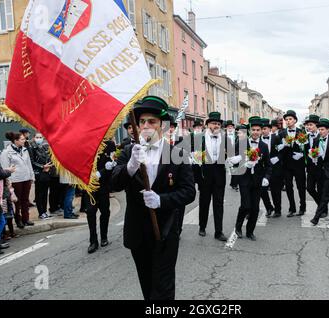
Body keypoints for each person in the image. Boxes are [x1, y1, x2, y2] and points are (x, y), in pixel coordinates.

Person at [111, 96, 195, 300]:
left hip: (165, 230)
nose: (146, 126)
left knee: (164, 287)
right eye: (142, 121)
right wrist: (130, 166)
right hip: (137, 231)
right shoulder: (129, 152)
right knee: (147, 284)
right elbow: (113, 184)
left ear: (162, 125)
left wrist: (161, 200)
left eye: (152, 121)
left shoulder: (178, 153)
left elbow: (189, 191)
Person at [232, 117, 271, 241]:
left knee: (255, 208)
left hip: (258, 181)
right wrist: (244, 164)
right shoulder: (241, 143)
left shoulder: (264, 146)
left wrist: (266, 177)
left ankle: (250, 231)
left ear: (261, 131)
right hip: (244, 179)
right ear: (249, 130)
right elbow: (233, 162)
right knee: (245, 205)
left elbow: (268, 165)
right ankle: (238, 227)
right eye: (253, 129)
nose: (255, 132)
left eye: (258, 130)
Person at [197, 112, 230, 241]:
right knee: (204, 202)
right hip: (205, 174)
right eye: (213, 123)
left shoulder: (225, 138)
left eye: (218, 124)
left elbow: (231, 155)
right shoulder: (200, 137)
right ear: (208, 124)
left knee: (219, 203)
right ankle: (202, 227)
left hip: (219, 174)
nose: (216, 125)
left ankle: (218, 231)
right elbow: (192, 156)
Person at [0, 132, 35, 228]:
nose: (25, 141)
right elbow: (5, 167)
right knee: (17, 201)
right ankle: (18, 219)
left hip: (26, 178)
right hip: (15, 180)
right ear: (15, 141)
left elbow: (29, 164)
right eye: (22, 139)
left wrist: (32, 176)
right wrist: (8, 181)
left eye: (24, 139)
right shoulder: (6, 152)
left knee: (25, 200)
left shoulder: (25, 150)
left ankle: (26, 219)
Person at [87, 139, 116, 253]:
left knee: (105, 211)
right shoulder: (85, 142)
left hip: (103, 184)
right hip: (89, 185)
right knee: (90, 212)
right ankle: (93, 241)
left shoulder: (109, 144)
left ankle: (104, 237)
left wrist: (102, 172)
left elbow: (113, 162)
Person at [278, 110, 307, 217]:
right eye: (286, 119)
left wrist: (301, 154)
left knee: (301, 186)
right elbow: (277, 149)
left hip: (299, 164)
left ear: (295, 120)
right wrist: (281, 146)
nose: (288, 121)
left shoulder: (302, 132)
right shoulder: (282, 133)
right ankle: (292, 208)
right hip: (286, 165)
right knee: (289, 187)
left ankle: (302, 207)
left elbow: (306, 148)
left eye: (290, 119)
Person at [304, 115, 324, 215]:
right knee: (310, 188)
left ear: (316, 125)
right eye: (307, 125)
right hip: (310, 167)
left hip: (320, 167)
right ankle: (321, 205)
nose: (308, 127)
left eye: (310, 125)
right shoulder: (306, 136)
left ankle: (323, 210)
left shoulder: (321, 136)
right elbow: (304, 150)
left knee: (321, 189)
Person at [30, 133, 53, 220]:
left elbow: (49, 158)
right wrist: (42, 167)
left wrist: (48, 166)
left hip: (46, 172)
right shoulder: (32, 148)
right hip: (38, 173)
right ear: (34, 138)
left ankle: (45, 211)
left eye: (40, 137)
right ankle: (41, 213)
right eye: (37, 137)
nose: (39, 139)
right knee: (39, 194)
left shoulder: (45, 147)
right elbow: (32, 162)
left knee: (45, 193)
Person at [260, 118, 274, 216]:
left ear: (269, 129)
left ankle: (270, 207)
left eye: (265, 128)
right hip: (260, 168)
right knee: (260, 190)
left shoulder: (275, 137)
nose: (263, 131)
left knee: (265, 190)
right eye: (262, 129)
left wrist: (276, 158)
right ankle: (269, 207)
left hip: (271, 167)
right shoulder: (256, 139)